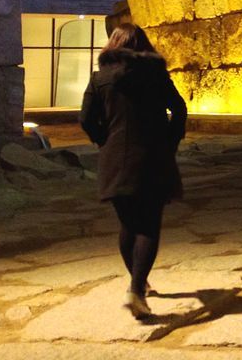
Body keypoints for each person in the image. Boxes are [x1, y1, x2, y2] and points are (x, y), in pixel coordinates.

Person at [79, 23, 187, 319]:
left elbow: (86, 119)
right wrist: (170, 140)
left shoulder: (100, 79)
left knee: (129, 225)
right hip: (153, 156)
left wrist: (104, 140)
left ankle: (138, 284)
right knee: (149, 225)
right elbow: (178, 108)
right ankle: (137, 289)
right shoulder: (155, 74)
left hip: (115, 159)